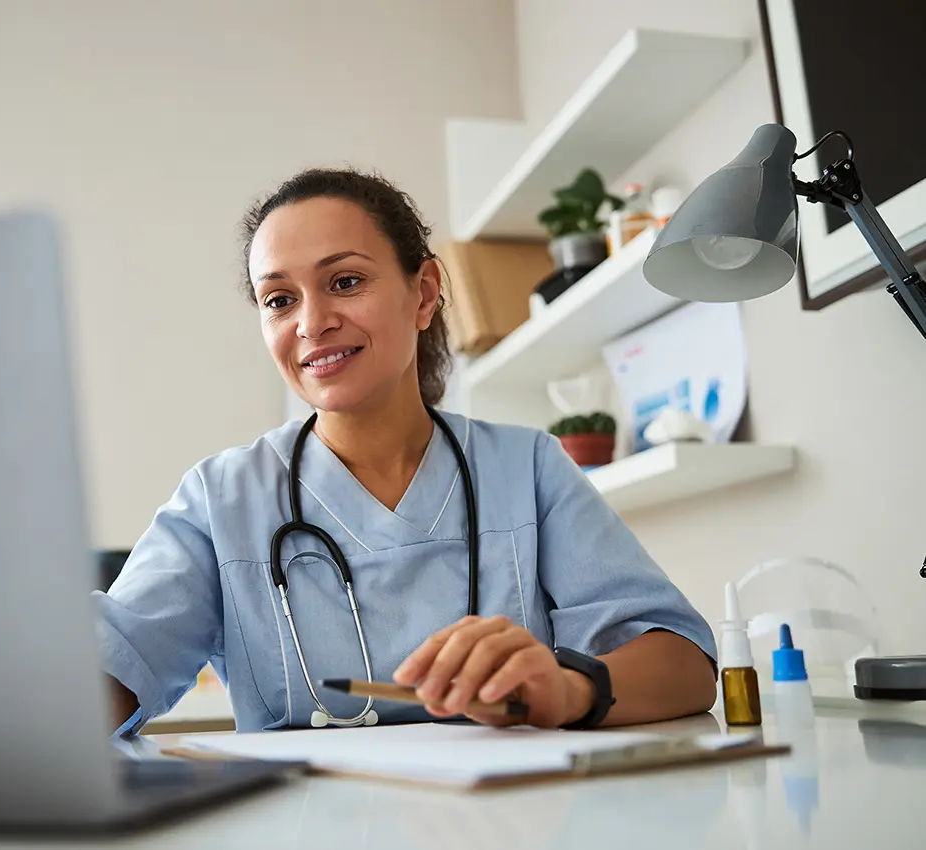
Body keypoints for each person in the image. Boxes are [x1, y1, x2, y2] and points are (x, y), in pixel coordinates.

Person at [95, 168, 718, 735]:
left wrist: (568, 689)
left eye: (345, 281)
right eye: (279, 300)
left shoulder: (526, 469)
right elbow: (108, 673)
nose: (311, 323)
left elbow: (685, 665)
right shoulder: (220, 500)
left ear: (422, 294)